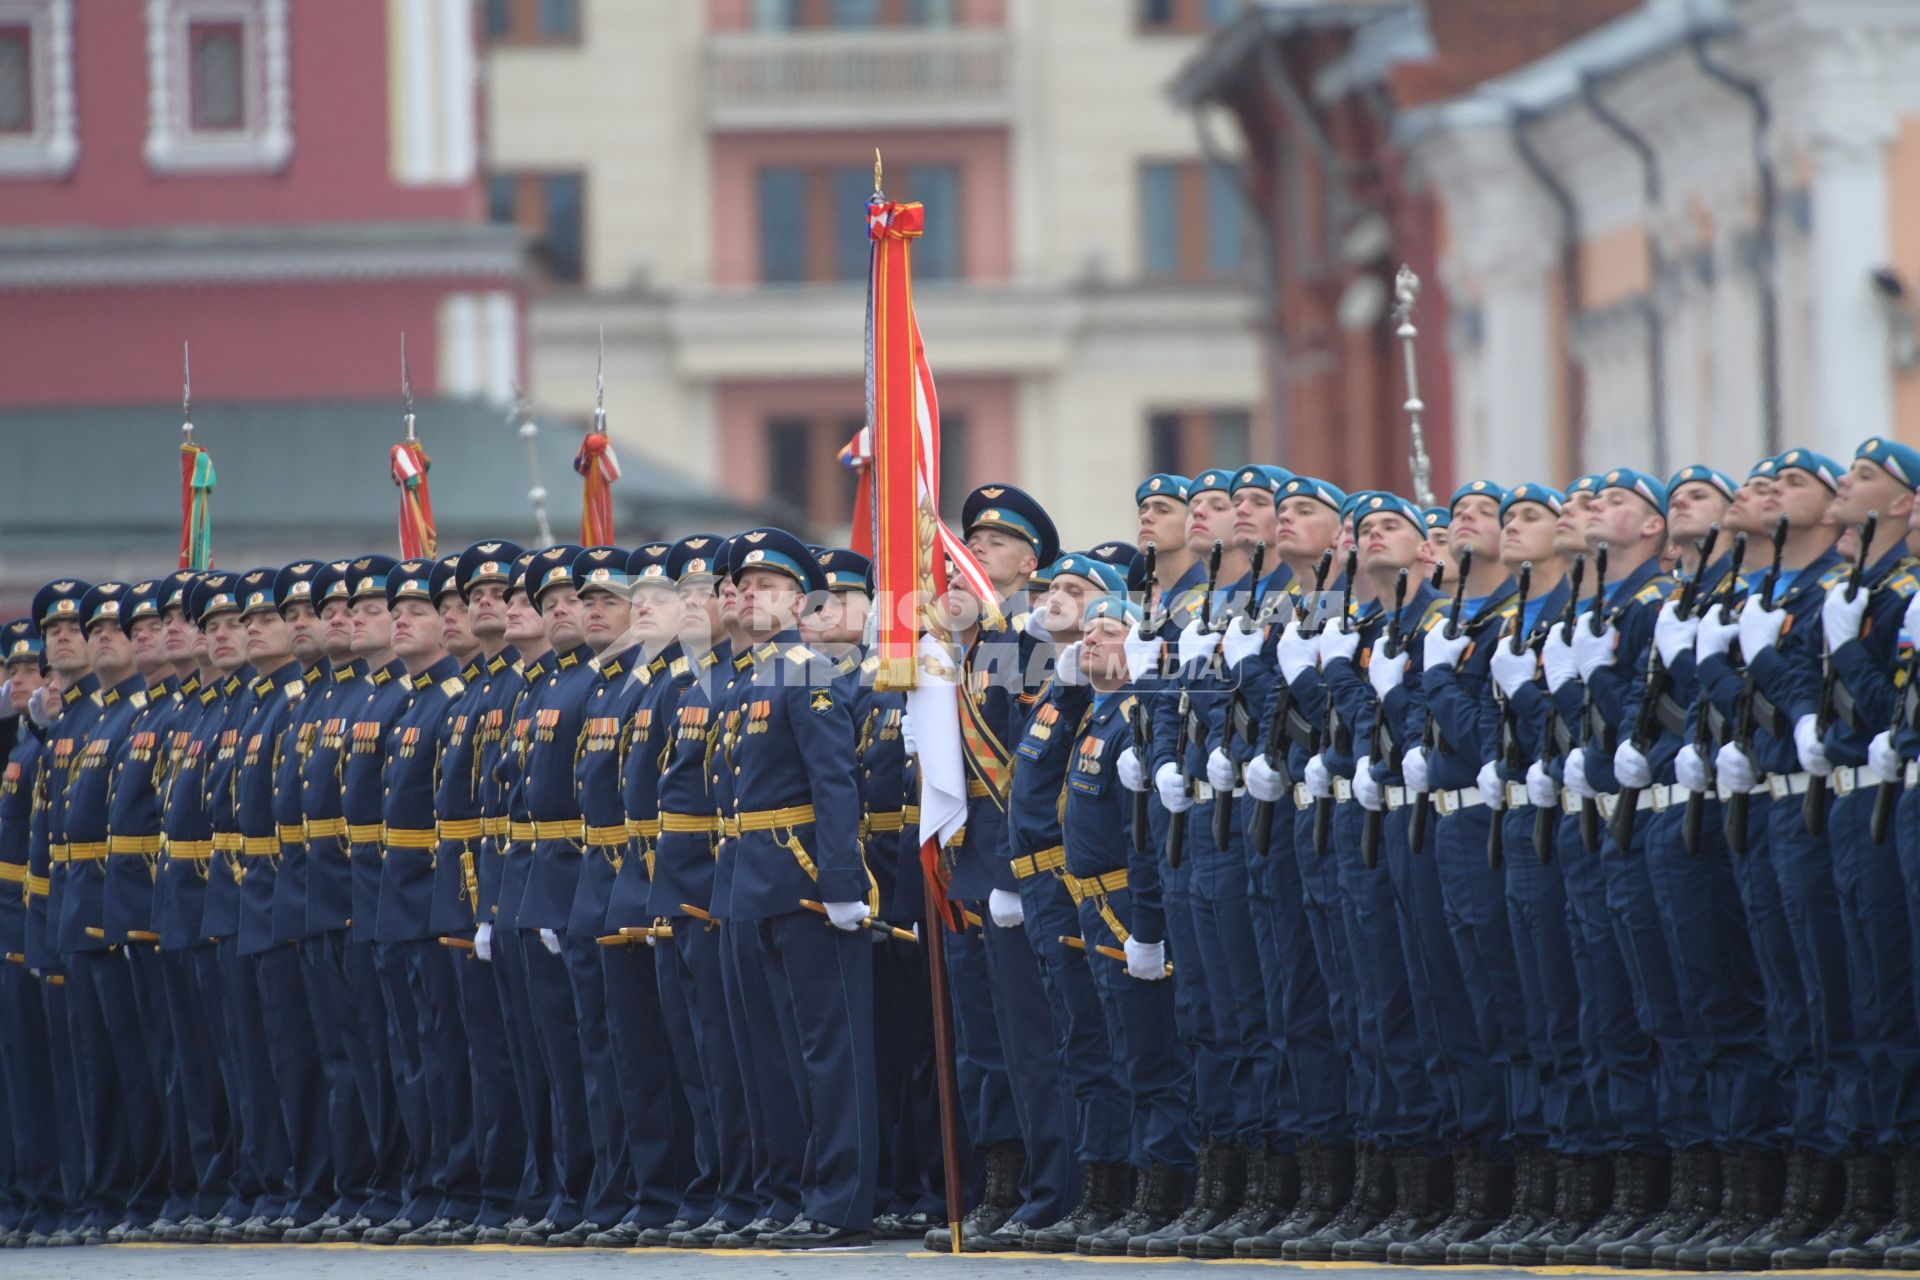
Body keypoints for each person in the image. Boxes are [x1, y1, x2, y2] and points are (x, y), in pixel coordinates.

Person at [716, 526, 878, 1248]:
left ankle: (840, 1202)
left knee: (829, 1050)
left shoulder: (807, 671)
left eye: (769, 587)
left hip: (808, 883)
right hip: (753, 883)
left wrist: (843, 882)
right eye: (744, 586)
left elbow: (835, 784)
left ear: (799, 601)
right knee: (779, 1053)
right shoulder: (747, 676)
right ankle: (789, 1196)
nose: (751, 594)